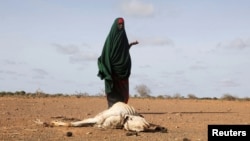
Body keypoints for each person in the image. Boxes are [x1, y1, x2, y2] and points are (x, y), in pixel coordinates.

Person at [97, 17, 139, 108]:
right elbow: (106, 52)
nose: (121, 26)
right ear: (115, 25)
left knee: (122, 90)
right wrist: (107, 65)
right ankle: (111, 107)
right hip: (112, 68)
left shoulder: (123, 37)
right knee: (113, 88)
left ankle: (121, 107)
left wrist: (130, 45)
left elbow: (123, 51)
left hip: (122, 69)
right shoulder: (110, 38)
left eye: (122, 24)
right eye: (119, 24)